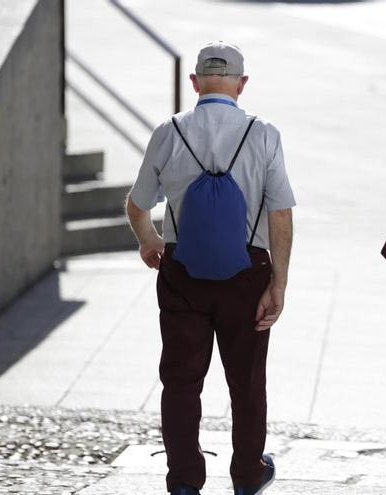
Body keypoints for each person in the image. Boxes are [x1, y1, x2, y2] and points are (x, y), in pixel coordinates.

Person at [125, 41, 295, 495]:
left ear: (195, 82)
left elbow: (137, 205)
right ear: (242, 85)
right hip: (248, 271)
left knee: (181, 380)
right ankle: (247, 475)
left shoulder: (170, 131)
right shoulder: (263, 134)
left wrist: (149, 242)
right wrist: (278, 282)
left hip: (182, 270)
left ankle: (183, 481)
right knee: (246, 381)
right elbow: (280, 214)